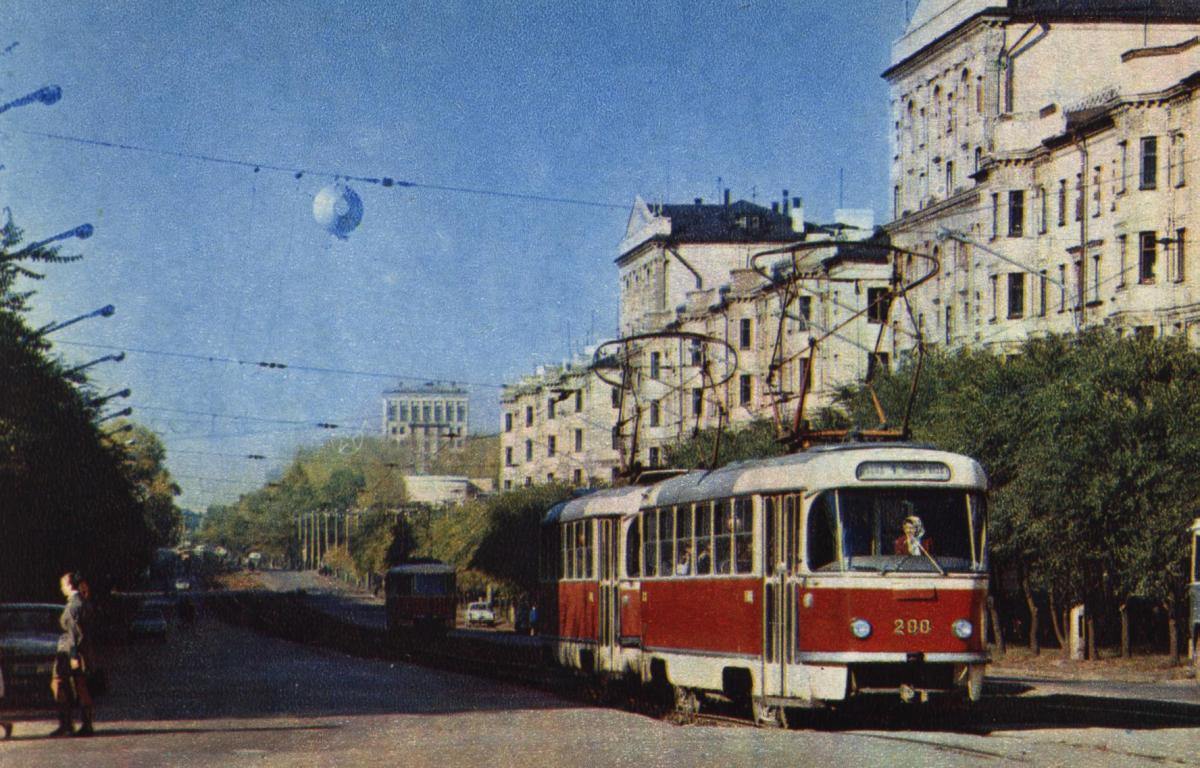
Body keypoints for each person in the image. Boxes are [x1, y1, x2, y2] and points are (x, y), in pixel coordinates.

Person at [51, 572, 95, 737]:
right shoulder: (83, 602)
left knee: (61, 685)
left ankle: (68, 724)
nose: (61, 588)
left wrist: (74, 655)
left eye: (63, 584)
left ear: (70, 586)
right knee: (80, 686)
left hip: (70, 651)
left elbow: (75, 633)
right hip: (80, 650)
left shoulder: (74, 605)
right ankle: (84, 724)